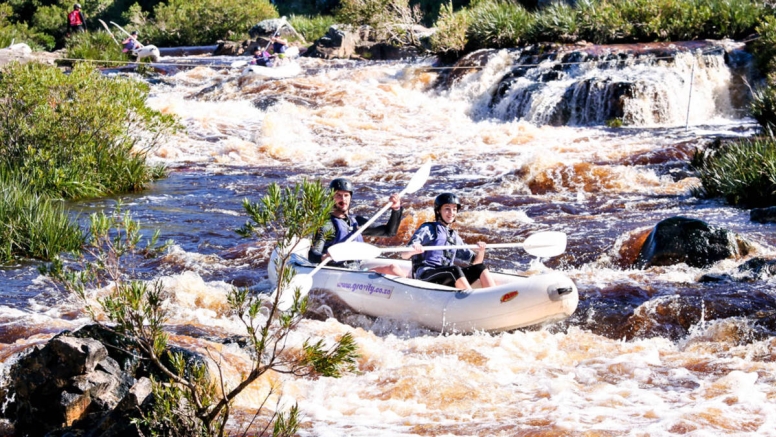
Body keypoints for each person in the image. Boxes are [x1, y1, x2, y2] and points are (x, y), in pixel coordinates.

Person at [309, 178, 405, 276]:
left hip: (356, 270)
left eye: (346, 195)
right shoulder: (326, 224)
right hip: (336, 272)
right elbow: (312, 255)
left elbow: (389, 232)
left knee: (394, 268)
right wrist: (324, 257)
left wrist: (396, 209)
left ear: (350, 197)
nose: (343, 199)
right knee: (394, 271)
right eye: (338, 195)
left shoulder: (356, 222)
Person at [401, 192, 496, 290]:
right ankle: (469, 298)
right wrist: (414, 249)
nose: (451, 213)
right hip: (425, 276)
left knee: (480, 268)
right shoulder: (429, 228)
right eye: (447, 209)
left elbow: (475, 263)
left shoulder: (453, 236)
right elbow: (404, 255)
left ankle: (494, 295)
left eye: (454, 209)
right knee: (454, 269)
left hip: (446, 275)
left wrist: (481, 250)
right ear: (438, 211)